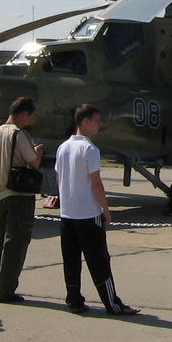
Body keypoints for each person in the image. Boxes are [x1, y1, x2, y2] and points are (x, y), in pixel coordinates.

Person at [56, 104, 138, 316]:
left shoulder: (62, 148)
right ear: (85, 121)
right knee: (99, 260)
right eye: (96, 120)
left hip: (67, 214)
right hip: (87, 214)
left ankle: (74, 300)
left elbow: (59, 178)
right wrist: (106, 209)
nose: (99, 125)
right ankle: (112, 303)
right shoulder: (90, 149)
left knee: (71, 260)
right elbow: (96, 183)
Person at [0, 97, 44, 304]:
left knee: (1, 242)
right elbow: (34, 162)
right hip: (19, 195)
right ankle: (6, 290)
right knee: (16, 244)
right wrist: (38, 151)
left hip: (0, 194)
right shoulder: (19, 134)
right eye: (29, 117)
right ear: (25, 113)